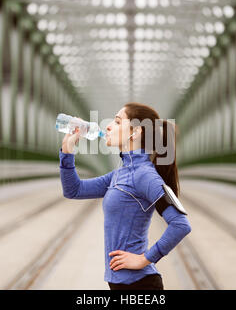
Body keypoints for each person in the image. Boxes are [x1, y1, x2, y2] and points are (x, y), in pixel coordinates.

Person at [59, 102, 192, 290]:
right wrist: (67, 150)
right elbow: (74, 190)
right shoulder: (119, 174)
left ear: (135, 132)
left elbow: (181, 224)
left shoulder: (144, 175)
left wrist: (144, 259)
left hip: (139, 285)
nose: (108, 126)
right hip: (119, 284)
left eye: (117, 121)